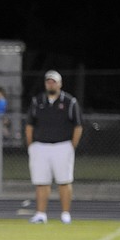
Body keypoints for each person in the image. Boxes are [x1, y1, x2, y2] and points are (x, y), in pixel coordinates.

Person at [25, 70, 83, 224]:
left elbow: (78, 126)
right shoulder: (38, 101)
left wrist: (72, 145)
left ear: (60, 83)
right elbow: (29, 125)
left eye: (54, 81)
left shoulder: (70, 102)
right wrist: (31, 145)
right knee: (41, 181)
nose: (51, 84)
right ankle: (41, 213)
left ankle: (65, 213)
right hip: (40, 145)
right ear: (45, 83)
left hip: (62, 145)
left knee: (64, 180)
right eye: (48, 81)